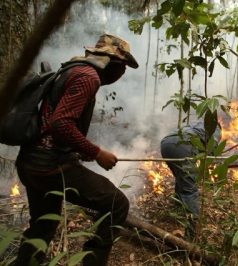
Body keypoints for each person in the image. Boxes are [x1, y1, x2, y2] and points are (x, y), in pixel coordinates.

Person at [14, 33, 139, 266]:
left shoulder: (73, 69)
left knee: (42, 227)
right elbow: (60, 124)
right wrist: (95, 152)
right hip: (51, 166)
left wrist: (78, 149)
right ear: (113, 62)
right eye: (123, 67)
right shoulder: (87, 76)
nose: (122, 74)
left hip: (31, 163)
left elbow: (51, 122)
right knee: (117, 203)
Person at [160, 121, 221, 240]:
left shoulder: (196, 125)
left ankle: (177, 208)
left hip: (166, 144)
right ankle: (193, 234)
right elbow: (212, 150)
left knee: (181, 178)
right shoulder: (215, 127)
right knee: (190, 190)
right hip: (183, 147)